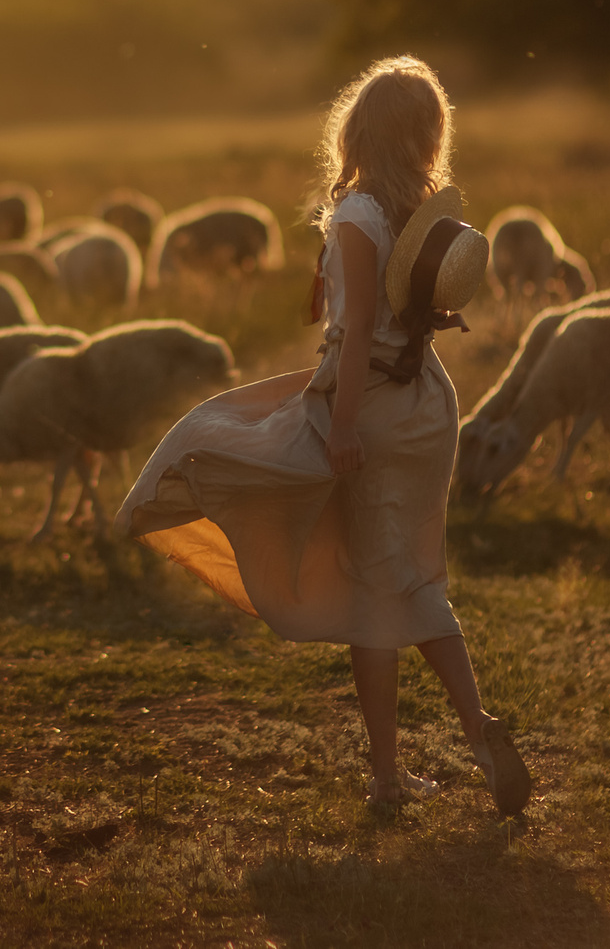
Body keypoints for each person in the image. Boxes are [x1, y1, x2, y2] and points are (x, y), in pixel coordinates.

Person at [113, 56, 530, 813]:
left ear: (357, 129)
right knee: (406, 574)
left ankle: (411, 763)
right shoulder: (424, 212)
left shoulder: (357, 216)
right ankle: (446, 745)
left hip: (366, 406)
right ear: (426, 136)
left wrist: (339, 430)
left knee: (371, 583)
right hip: (426, 402)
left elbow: (355, 328)